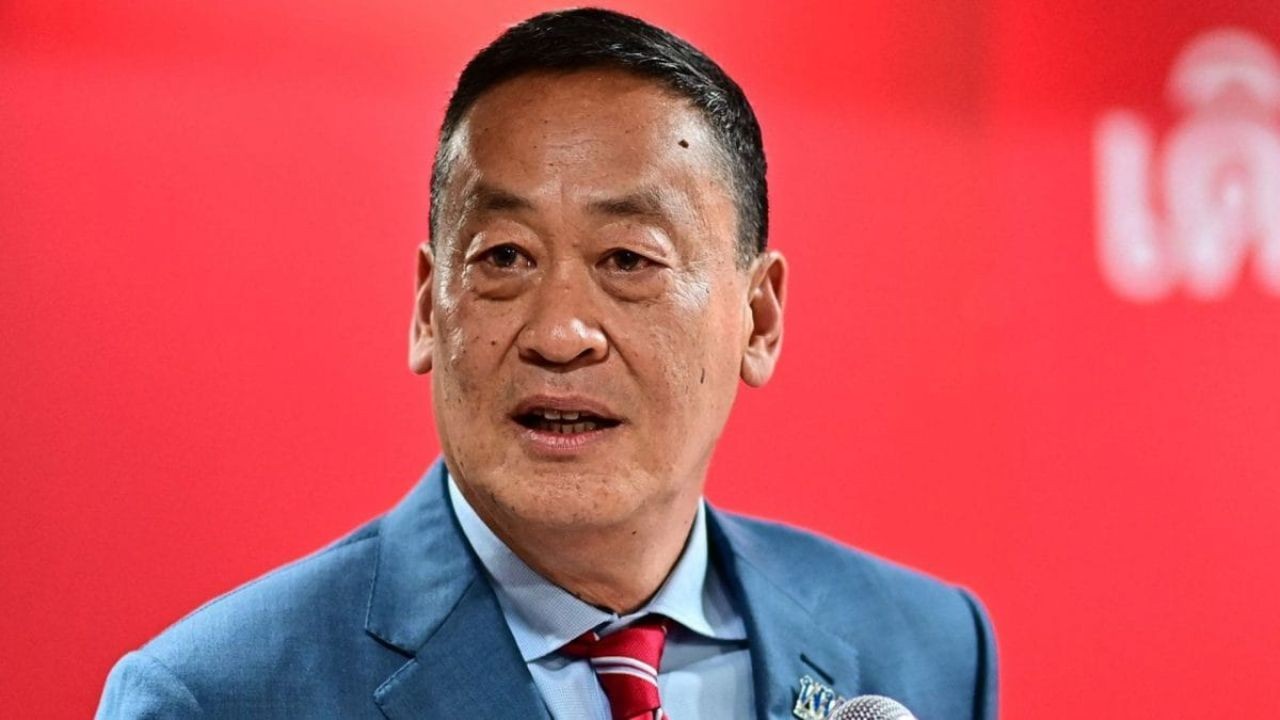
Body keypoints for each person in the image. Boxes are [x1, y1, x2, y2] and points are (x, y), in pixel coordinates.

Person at [96, 8, 997, 719]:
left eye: (628, 260)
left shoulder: (926, 651)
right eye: (505, 258)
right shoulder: (219, 696)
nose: (560, 333)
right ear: (428, 307)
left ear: (757, 319)